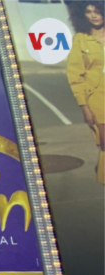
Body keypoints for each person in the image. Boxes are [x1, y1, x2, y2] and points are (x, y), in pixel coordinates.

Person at [68, 0, 105, 183]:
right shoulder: (81, 39)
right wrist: (84, 107)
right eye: (89, 11)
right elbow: (75, 75)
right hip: (97, 99)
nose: (93, 15)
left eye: (97, 11)